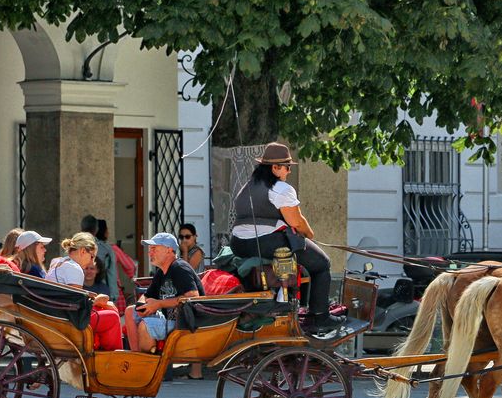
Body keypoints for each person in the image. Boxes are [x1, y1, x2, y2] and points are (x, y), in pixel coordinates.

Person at [229, 142, 342, 334]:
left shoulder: (248, 187)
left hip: (239, 243)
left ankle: (297, 305)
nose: (289, 171)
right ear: (275, 167)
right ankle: (320, 316)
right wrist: (309, 235)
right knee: (322, 263)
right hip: (265, 242)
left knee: (306, 256)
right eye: (287, 167)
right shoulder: (281, 189)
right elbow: (296, 222)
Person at [123, 233, 204, 368]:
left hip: (185, 323)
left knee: (145, 326)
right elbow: (148, 295)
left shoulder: (179, 268)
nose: (150, 252)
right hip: (169, 320)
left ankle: (146, 366)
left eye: (154, 248)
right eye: (150, 249)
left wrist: (159, 304)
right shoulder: (162, 271)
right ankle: (136, 360)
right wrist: (142, 305)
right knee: (130, 311)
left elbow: (193, 297)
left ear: (168, 250)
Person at [47, 232, 122, 351]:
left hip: (58, 314)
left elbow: (73, 297)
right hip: (67, 320)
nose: (92, 262)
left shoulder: (57, 262)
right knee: (112, 316)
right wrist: (96, 300)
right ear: (82, 251)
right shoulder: (74, 268)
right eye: (92, 256)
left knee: (109, 307)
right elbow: (77, 306)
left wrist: (93, 299)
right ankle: (111, 358)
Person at [82, 215, 118, 303]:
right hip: (101, 293)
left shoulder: (72, 247)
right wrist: (113, 297)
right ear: (96, 229)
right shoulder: (106, 249)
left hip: (76, 291)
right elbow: (111, 274)